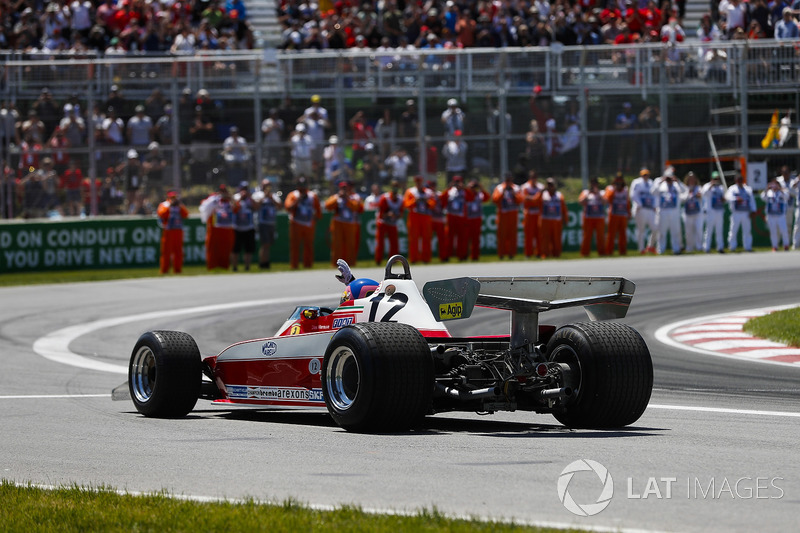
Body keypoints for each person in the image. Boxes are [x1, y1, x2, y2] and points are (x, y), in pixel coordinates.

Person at [284, 176, 321, 269]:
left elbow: (318, 211)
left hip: (308, 224)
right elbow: (288, 207)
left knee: (309, 245)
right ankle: (294, 265)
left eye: (304, 185)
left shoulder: (312, 196)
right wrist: (298, 200)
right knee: (295, 246)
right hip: (296, 223)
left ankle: (308, 265)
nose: (303, 188)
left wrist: (314, 218)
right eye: (301, 185)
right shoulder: (293, 195)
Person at [324, 181, 363, 267]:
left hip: (350, 223)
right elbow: (328, 206)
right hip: (338, 222)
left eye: (346, 188)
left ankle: (351, 263)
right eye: (342, 188)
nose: (344, 190)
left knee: (350, 244)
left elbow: (357, 207)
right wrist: (337, 198)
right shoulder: (336, 197)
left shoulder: (354, 197)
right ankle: (335, 264)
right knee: (337, 244)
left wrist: (347, 199)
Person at [199, 184, 236, 270]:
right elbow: (204, 206)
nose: (222, 193)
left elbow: (237, 208)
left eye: (224, 191)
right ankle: (212, 265)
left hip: (227, 228)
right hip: (214, 229)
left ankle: (225, 265)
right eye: (221, 191)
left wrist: (231, 198)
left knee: (226, 248)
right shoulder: (213, 199)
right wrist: (214, 200)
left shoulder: (230, 201)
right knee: (213, 248)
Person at [652, 168, 685, 255]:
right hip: (663, 211)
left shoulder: (676, 184)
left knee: (675, 231)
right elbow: (652, 192)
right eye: (667, 177)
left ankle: (676, 249)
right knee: (662, 231)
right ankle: (660, 249)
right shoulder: (660, 184)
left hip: (674, 211)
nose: (669, 180)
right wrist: (661, 181)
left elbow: (684, 191)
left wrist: (678, 181)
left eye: (670, 177)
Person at [403, 175, 435, 263]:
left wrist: (426, 201)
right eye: (417, 181)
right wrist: (414, 201)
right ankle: (414, 258)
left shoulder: (428, 192)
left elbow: (433, 204)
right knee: (413, 238)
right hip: (414, 216)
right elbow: (406, 204)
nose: (418, 183)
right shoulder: (410, 191)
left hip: (425, 217)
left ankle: (426, 258)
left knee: (427, 237)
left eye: (420, 181)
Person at [156, 190, 189, 274]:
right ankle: (164, 270)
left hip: (178, 230)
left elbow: (186, 214)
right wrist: (170, 206)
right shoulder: (164, 205)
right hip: (168, 231)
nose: (174, 199)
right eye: (172, 197)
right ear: (168, 198)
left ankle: (177, 270)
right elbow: (161, 214)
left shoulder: (179, 205)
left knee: (178, 251)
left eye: (175, 197)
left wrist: (180, 206)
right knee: (166, 251)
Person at [253, 179, 281, 269]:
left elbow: (280, 206)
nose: (267, 186)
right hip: (262, 222)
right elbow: (255, 206)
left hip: (271, 222)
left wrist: (271, 198)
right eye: (265, 185)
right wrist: (264, 197)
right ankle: (263, 263)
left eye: (268, 185)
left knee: (268, 244)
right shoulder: (257, 195)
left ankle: (266, 262)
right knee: (264, 244)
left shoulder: (274, 195)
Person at [492, 173, 521, 259]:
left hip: (513, 214)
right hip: (503, 215)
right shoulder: (500, 188)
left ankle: (511, 254)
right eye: (507, 179)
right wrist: (503, 192)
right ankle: (501, 254)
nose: (508, 181)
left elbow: (520, 200)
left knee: (512, 235)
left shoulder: (516, 188)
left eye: (510, 179)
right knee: (502, 235)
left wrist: (513, 194)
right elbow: (495, 199)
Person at [374, 179, 404, 264]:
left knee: (394, 243)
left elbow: (401, 214)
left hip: (393, 223)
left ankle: (393, 261)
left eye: (397, 187)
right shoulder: (385, 198)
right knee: (380, 242)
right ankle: (378, 260)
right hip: (383, 222)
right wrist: (388, 214)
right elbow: (381, 214)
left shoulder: (400, 199)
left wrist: (395, 215)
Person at [725, 173, 756, 252]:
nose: (740, 181)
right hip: (736, 212)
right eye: (738, 180)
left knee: (747, 230)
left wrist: (753, 210)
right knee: (733, 230)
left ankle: (748, 247)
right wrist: (736, 198)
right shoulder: (732, 188)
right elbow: (727, 197)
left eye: (741, 180)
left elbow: (752, 200)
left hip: (746, 212)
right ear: (736, 181)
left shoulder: (748, 189)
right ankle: (732, 246)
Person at [231, 182, 258, 271]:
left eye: (246, 189)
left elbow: (256, 207)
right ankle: (235, 267)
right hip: (237, 227)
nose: (244, 191)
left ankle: (247, 266)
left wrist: (250, 198)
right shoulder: (236, 197)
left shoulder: (251, 198)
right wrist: (240, 199)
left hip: (249, 227)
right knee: (235, 249)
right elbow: (233, 209)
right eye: (243, 189)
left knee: (248, 249)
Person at [629, 168, 657, 254]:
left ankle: (650, 246)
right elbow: (633, 195)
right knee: (641, 230)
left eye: (647, 174)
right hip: (640, 209)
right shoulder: (636, 182)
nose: (645, 176)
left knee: (655, 228)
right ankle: (641, 249)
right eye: (644, 175)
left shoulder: (651, 183)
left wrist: (654, 206)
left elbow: (654, 196)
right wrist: (639, 204)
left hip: (650, 209)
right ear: (641, 175)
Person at [578, 177, 607, 257]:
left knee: (601, 236)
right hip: (588, 218)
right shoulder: (586, 192)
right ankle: (585, 253)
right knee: (587, 236)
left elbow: (605, 202)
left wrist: (598, 194)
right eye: (592, 183)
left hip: (599, 217)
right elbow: (580, 202)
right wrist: (587, 196)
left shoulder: (602, 192)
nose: (594, 185)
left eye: (595, 183)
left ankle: (602, 253)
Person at [604, 172, 631, 255]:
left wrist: (629, 212)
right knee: (611, 234)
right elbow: (608, 199)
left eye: (620, 181)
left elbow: (627, 202)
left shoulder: (625, 189)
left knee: (623, 234)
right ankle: (609, 251)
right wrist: (615, 189)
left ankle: (623, 251)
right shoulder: (610, 188)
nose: (619, 182)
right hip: (613, 214)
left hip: (622, 214)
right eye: (617, 181)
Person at [761, 178, 791, 251]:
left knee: (784, 230)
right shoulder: (769, 192)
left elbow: (787, 197)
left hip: (780, 215)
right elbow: (763, 197)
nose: (774, 186)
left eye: (776, 185)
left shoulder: (783, 191)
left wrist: (780, 189)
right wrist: (767, 189)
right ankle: (775, 246)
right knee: (773, 231)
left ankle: (786, 245)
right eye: (773, 185)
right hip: (771, 215)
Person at [519, 170, 543, 259]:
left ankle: (539, 253)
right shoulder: (525, 187)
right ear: (530, 178)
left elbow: (540, 201)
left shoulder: (540, 187)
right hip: (528, 214)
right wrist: (535, 199)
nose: (534, 179)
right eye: (532, 177)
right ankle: (528, 253)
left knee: (539, 235)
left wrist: (532, 199)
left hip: (538, 214)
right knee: (528, 235)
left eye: (535, 177)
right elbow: (524, 199)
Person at [702, 171, 727, 253]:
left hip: (719, 211)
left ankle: (720, 247)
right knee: (709, 230)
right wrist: (711, 185)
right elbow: (704, 194)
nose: (716, 180)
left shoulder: (721, 187)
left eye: (717, 178)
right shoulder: (707, 186)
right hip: (710, 212)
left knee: (719, 230)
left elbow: (724, 199)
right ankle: (707, 248)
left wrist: (723, 199)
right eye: (715, 178)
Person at [444, 175, 468, 261]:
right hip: (451, 217)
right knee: (449, 237)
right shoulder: (450, 191)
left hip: (461, 217)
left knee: (462, 237)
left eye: (459, 182)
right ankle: (447, 255)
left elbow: (471, 197)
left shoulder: (465, 192)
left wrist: (464, 188)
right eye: (456, 182)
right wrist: (448, 187)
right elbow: (442, 199)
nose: (457, 184)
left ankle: (461, 255)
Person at [464, 179, 489, 260]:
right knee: (466, 238)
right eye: (472, 187)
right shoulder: (466, 194)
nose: (473, 188)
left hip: (477, 218)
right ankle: (465, 255)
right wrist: (469, 189)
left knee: (476, 238)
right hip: (468, 219)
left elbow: (487, 198)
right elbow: (468, 197)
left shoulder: (479, 194)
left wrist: (481, 188)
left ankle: (475, 256)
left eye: (475, 187)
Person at [682, 172, 704, 253]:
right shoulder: (684, 188)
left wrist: (699, 195)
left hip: (697, 212)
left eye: (693, 178)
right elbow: (682, 199)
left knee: (698, 230)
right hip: (688, 213)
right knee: (688, 231)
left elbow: (702, 195)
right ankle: (689, 247)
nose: (691, 180)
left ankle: (699, 247)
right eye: (690, 178)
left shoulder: (699, 188)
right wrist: (688, 194)